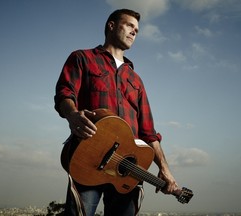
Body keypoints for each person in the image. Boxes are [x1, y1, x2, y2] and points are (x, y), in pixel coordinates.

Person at [54, 8, 181, 216]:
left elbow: (148, 132)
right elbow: (64, 93)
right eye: (130, 25)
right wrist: (72, 114)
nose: (134, 32)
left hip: (127, 170)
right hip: (88, 159)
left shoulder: (136, 80)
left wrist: (165, 169)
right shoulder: (82, 58)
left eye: (137, 30)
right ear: (111, 26)